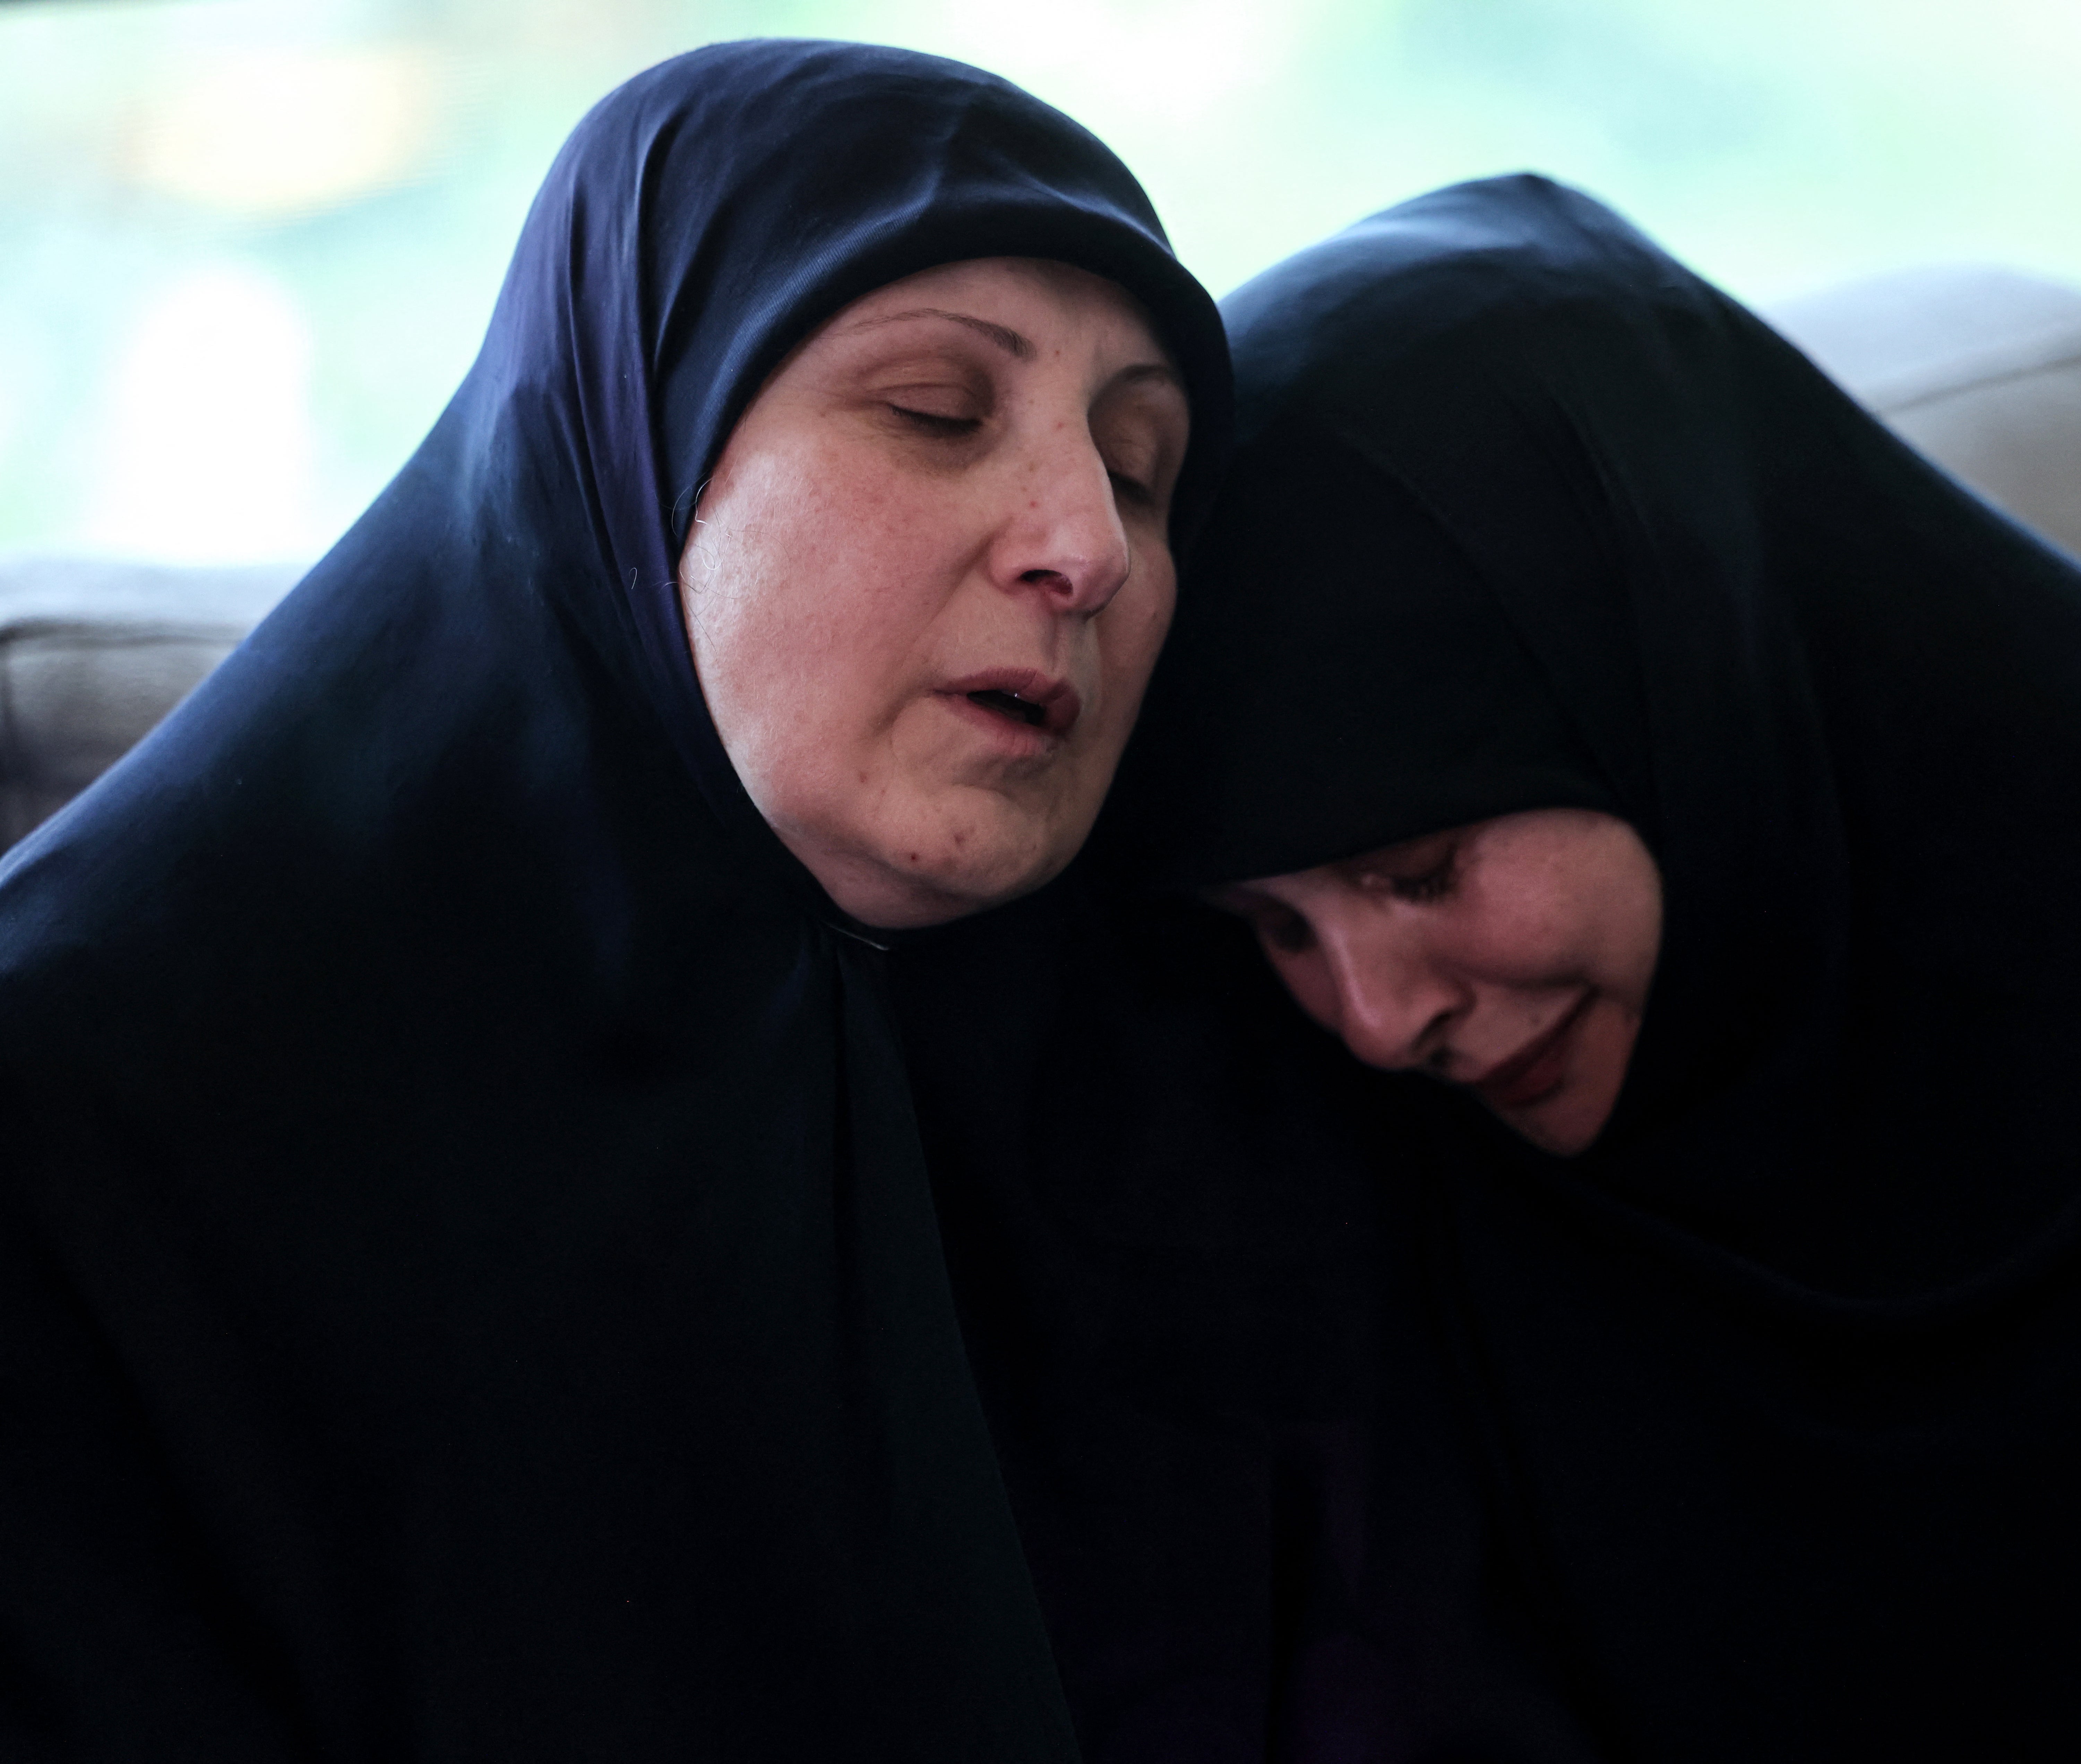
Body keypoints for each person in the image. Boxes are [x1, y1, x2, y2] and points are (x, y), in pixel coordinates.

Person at [1102, 174, 2081, 1757]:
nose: (1375, 1014)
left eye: (1416, 870)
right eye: (1275, 926)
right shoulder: (1356, 1127)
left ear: (1676, 673)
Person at [0, 42, 1227, 1758]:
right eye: (939, 412)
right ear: (633, 451)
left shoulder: (1088, 1048)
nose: (1085, 545)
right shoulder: (82, 1099)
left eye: (1146, 471)